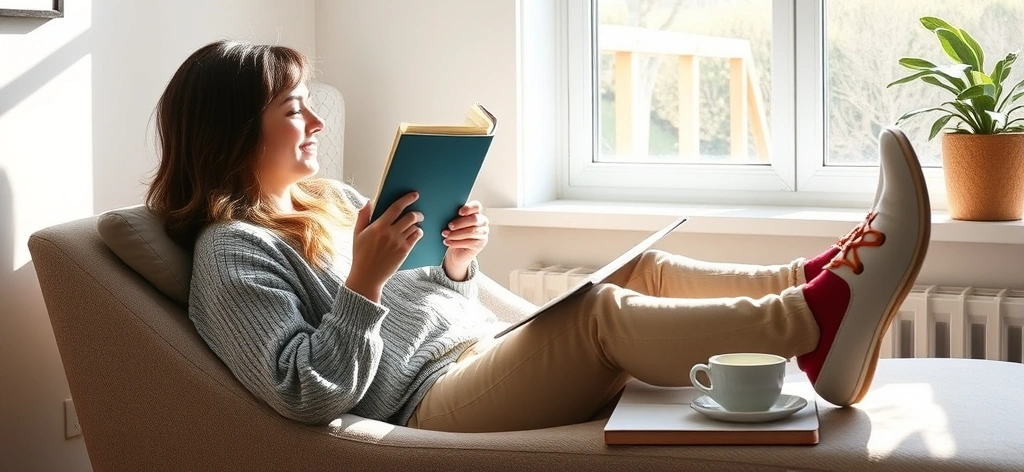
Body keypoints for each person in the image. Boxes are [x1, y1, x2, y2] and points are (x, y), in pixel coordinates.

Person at [146, 40, 931, 433]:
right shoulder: (231, 253)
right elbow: (303, 391)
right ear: (231, 131)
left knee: (644, 270)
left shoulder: (325, 197)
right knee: (600, 316)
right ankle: (812, 321)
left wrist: (453, 264)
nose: (316, 121)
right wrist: (363, 283)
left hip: (476, 351)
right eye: (293, 108)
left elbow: (412, 296)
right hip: (428, 403)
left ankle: (817, 272)